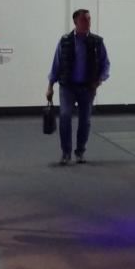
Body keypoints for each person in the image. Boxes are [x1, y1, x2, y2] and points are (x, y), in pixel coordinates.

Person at [46, 9, 110, 165]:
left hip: (87, 88)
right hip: (67, 87)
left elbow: (105, 64)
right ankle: (66, 153)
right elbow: (56, 64)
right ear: (75, 22)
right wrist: (50, 86)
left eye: (89, 19)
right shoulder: (65, 41)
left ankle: (80, 152)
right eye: (84, 20)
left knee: (85, 121)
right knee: (65, 116)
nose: (88, 22)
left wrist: (99, 81)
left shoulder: (97, 42)